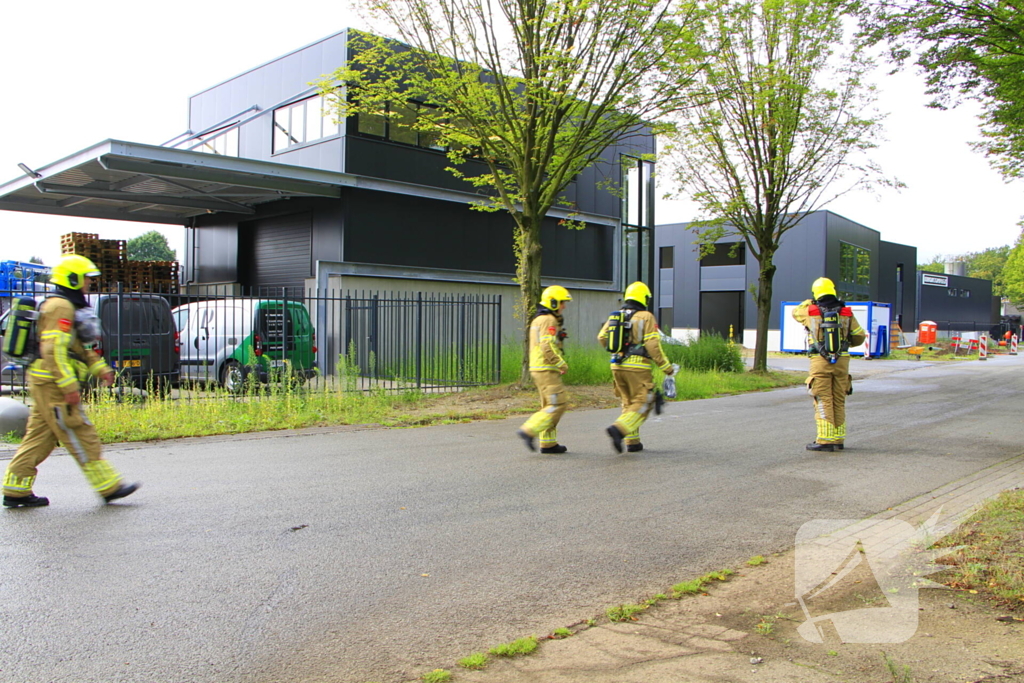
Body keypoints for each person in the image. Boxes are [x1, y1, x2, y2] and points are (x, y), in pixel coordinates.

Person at [2, 255, 140, 507]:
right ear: (73, 279)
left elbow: (76, 347)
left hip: (44, 381)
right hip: (53, 383)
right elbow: (53, 350)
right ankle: (108, 487)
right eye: (86, 278)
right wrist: (68, 386)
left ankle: (15, 489)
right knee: (78, 429)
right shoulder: (61, 308)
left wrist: (100, 369)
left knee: (39, 437)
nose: (89, 283)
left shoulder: (62, 305)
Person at [598, 281, 674, 453]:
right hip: (637, 368)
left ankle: (633, 442)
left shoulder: (615, 316)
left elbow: (602, 337)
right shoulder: (646, 316)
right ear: (643, 298)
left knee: (628, 402)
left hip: (617, 365)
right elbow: (653, 346)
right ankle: (619, 429)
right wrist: (666, 367)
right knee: (644, 401)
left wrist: (618, 351)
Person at [792, 277, 866, 453]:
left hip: (820, 361)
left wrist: (810, 301)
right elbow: (859, 336)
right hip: (842, 361)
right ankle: (838, 439)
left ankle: (825, 440)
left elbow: (795, 312)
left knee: (823, 397)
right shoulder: (846, 312)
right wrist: (843, 345)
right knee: (838, 399)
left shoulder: (810, 311)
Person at [517, 285, 572, 453]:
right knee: (558, 404)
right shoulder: (549, 320)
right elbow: (547, 345)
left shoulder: (538, 319)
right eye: (562, 303)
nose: (564, 306)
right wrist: (560, 363)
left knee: (548, 404)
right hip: (547, 368)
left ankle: (548, 443)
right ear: (553, 302)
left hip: (538, 367)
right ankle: (529, 430)